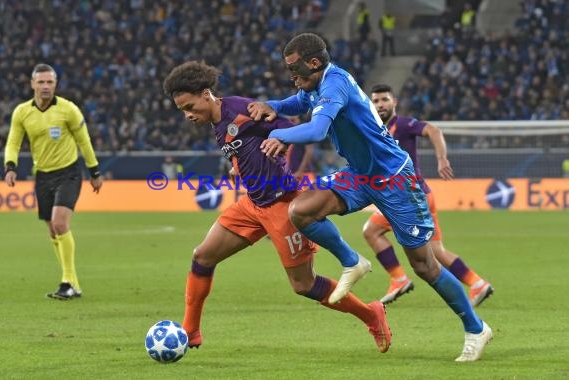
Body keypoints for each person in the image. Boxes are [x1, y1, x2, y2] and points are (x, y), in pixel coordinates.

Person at [247, 33, 492, 361]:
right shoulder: (316, 85)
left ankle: (476, 328)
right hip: (360, 175)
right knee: (302, 211)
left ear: (314, 63)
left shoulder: (334, 84)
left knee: (424, 264)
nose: (290, 75)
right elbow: (298, 104)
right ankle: (352, 261)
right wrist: (272, 107)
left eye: (295, 68)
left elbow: (317, 130)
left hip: (395, 180)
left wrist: (278, 133)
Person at [162, 60, 391, 353]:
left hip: (283, 204)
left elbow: (287, 126)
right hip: (252, 205)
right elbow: (242, 146)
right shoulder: (217, 121)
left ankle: (372, 314)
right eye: (183, 110)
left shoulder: (241, 110)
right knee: (203, 256)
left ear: (206, 93)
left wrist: (282, 143)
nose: (188, 115)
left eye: (190, 106)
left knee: (303, 285)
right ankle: (190, 331)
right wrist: (237, 166)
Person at [363, 84, 494, 307]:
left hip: (408, 198)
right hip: (419, 196)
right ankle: (477, 283)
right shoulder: (377, 130)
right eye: (375, 101)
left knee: (371, 231)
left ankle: (399, 279)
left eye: (384, 99)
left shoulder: (403, 125)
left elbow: (433, 130)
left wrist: (442, 159)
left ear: (394, 102)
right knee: (435, 251)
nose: (380, 105)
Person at [3, 63, 103, 300]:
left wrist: (95, 171)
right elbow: (14, 142)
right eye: (41, 82)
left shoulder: (69, 110)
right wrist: (10, 167)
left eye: (49, 82)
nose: (45, 86)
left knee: (59, 222)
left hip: (68, 173)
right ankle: (73, 283)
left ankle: (67, 281)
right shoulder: (22, 112)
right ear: (32, 84)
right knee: (52, 230)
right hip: (43, 176)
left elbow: (84, 141)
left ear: (55, 84)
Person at [286, 116, 315, 182]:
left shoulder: (304, 130)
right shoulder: (289, 131)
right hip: (292, 175)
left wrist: (300, 171)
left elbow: (309, 151)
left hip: (304, 175)